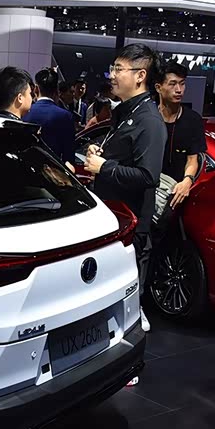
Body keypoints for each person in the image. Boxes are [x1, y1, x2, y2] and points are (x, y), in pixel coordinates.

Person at [83, 43, 167, 335]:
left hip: (131, 224)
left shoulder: (149, 121)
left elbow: (148, 176)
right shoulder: (124, 112)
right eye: (113, 68)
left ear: (140, 75)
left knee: (128, 298)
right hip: (112, 217)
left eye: (119, 69)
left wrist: (104, 167)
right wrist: (100, 152)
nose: (113, 75)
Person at [155, 61, 207, 210]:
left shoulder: (193, 120)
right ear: (158, 87)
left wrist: (187, 181)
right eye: (172, 84)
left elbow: (192, 159)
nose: (179, 90)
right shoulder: (148, 118)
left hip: (176, 193)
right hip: (147, 189)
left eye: (182, 84)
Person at [24, 68, 77, 164]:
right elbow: (69, 157)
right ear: (56, 90)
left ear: (36, 89)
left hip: (27, 168)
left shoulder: (25, 112)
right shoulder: (66, 116)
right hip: (53, 170)